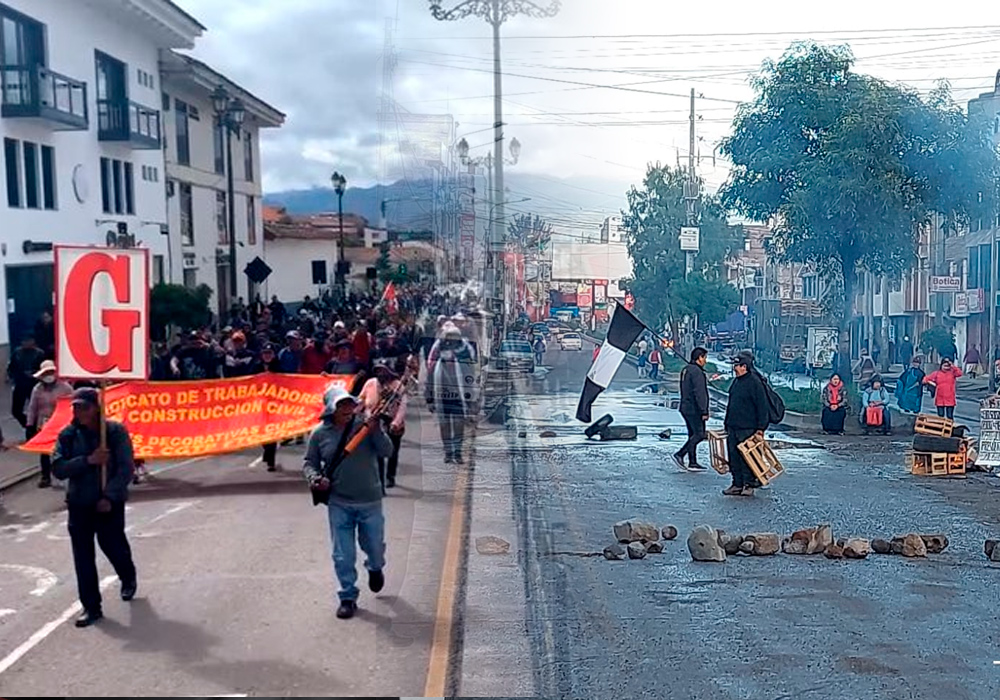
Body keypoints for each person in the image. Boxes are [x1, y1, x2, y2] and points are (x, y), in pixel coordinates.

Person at [303, 388, 393, 620]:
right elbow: (310, 463)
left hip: (370, 500)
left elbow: (387, 451)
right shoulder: (319, 434)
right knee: (342, 553)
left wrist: (376, 432)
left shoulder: (366, 426)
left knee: (373, 545)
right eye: (340, 406)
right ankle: (347, 596)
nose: (346, 410)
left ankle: (375, 567)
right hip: (339, 502)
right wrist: (314, 479)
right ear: (330, 410)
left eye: (348, 405)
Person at [51, 388, 137, 628]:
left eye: (84, 407)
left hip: (107, 503)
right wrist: (88, 461)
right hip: (79, 504)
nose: (79, 412)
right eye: (75, 407)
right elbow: (58, 467)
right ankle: (91, 606)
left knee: (113, 545)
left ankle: (127, 575)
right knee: (83, 557)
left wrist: (109, 496)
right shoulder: (67, 435)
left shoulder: (114, 432)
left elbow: (126, 468)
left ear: (96, 408)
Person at [426, 325, 474, 464]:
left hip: (459, 397)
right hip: (442, 396)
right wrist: (430, 399)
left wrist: (471, 400)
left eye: (454, 339)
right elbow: (430, 377)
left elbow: (470, 379)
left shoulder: (464, 357)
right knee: (444, 425)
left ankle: (457, 453)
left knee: (459, 425)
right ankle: (448, 452)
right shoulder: (437, 358)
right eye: (449, 340)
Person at [723, 351, 768, 497]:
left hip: (748, 427)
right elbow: (731, 404)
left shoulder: (755, 382)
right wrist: (727, 423)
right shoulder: (736, 382)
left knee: (748, 458)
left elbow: (762, 407)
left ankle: (749, 484)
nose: (735, 368)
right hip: (733, 426)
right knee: (734, 456)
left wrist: (761, 428)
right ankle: (737, 483)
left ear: (745, 367)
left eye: (737, 366)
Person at [360, 357, 407, 490]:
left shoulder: (398, 386)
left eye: (383, 371)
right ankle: (379, 480)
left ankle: (390, 476)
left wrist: (396, 423)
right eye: (378, 371)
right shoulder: (370, 383)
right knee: (377, 452)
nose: (381, 374)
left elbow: (402, 406)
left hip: (391, 423)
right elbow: (361, 400)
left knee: (392, 451)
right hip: (374, 422)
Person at [26, 360, 73, 488]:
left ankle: (68, 474)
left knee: (65, 450)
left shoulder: (65, 388)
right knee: (45, 453)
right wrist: (29, 425)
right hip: (44, 425)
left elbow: (72, 406)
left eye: (51, 372)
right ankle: (45, 476)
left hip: (61, 425)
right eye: (46, 372)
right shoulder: (37, 389)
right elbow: (32, 408)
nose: (49, 375)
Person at [673, 347, 710, 471]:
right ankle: (680, 454)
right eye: (704, 357)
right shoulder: (697, 372)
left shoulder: (687, 370)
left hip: (685, 407)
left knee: (692, 435)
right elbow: (700, 393)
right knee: (699, 434)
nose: (705, 360)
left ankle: (693, 461)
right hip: (694, 409)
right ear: (699, 357)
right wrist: (704, 410)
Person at [8, 335, 45, 431]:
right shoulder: (17, 353)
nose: (26, 343)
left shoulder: (39, 353)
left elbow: (44, 369)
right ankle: (29, 426)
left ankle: (35, 428)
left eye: (28, 341)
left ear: (33, 341)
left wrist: (34, 373)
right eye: (24, 341)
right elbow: (12, 367)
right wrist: (13, 377)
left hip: (34, 384)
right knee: (16, 410)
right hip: (20, 383)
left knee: (35, 408)